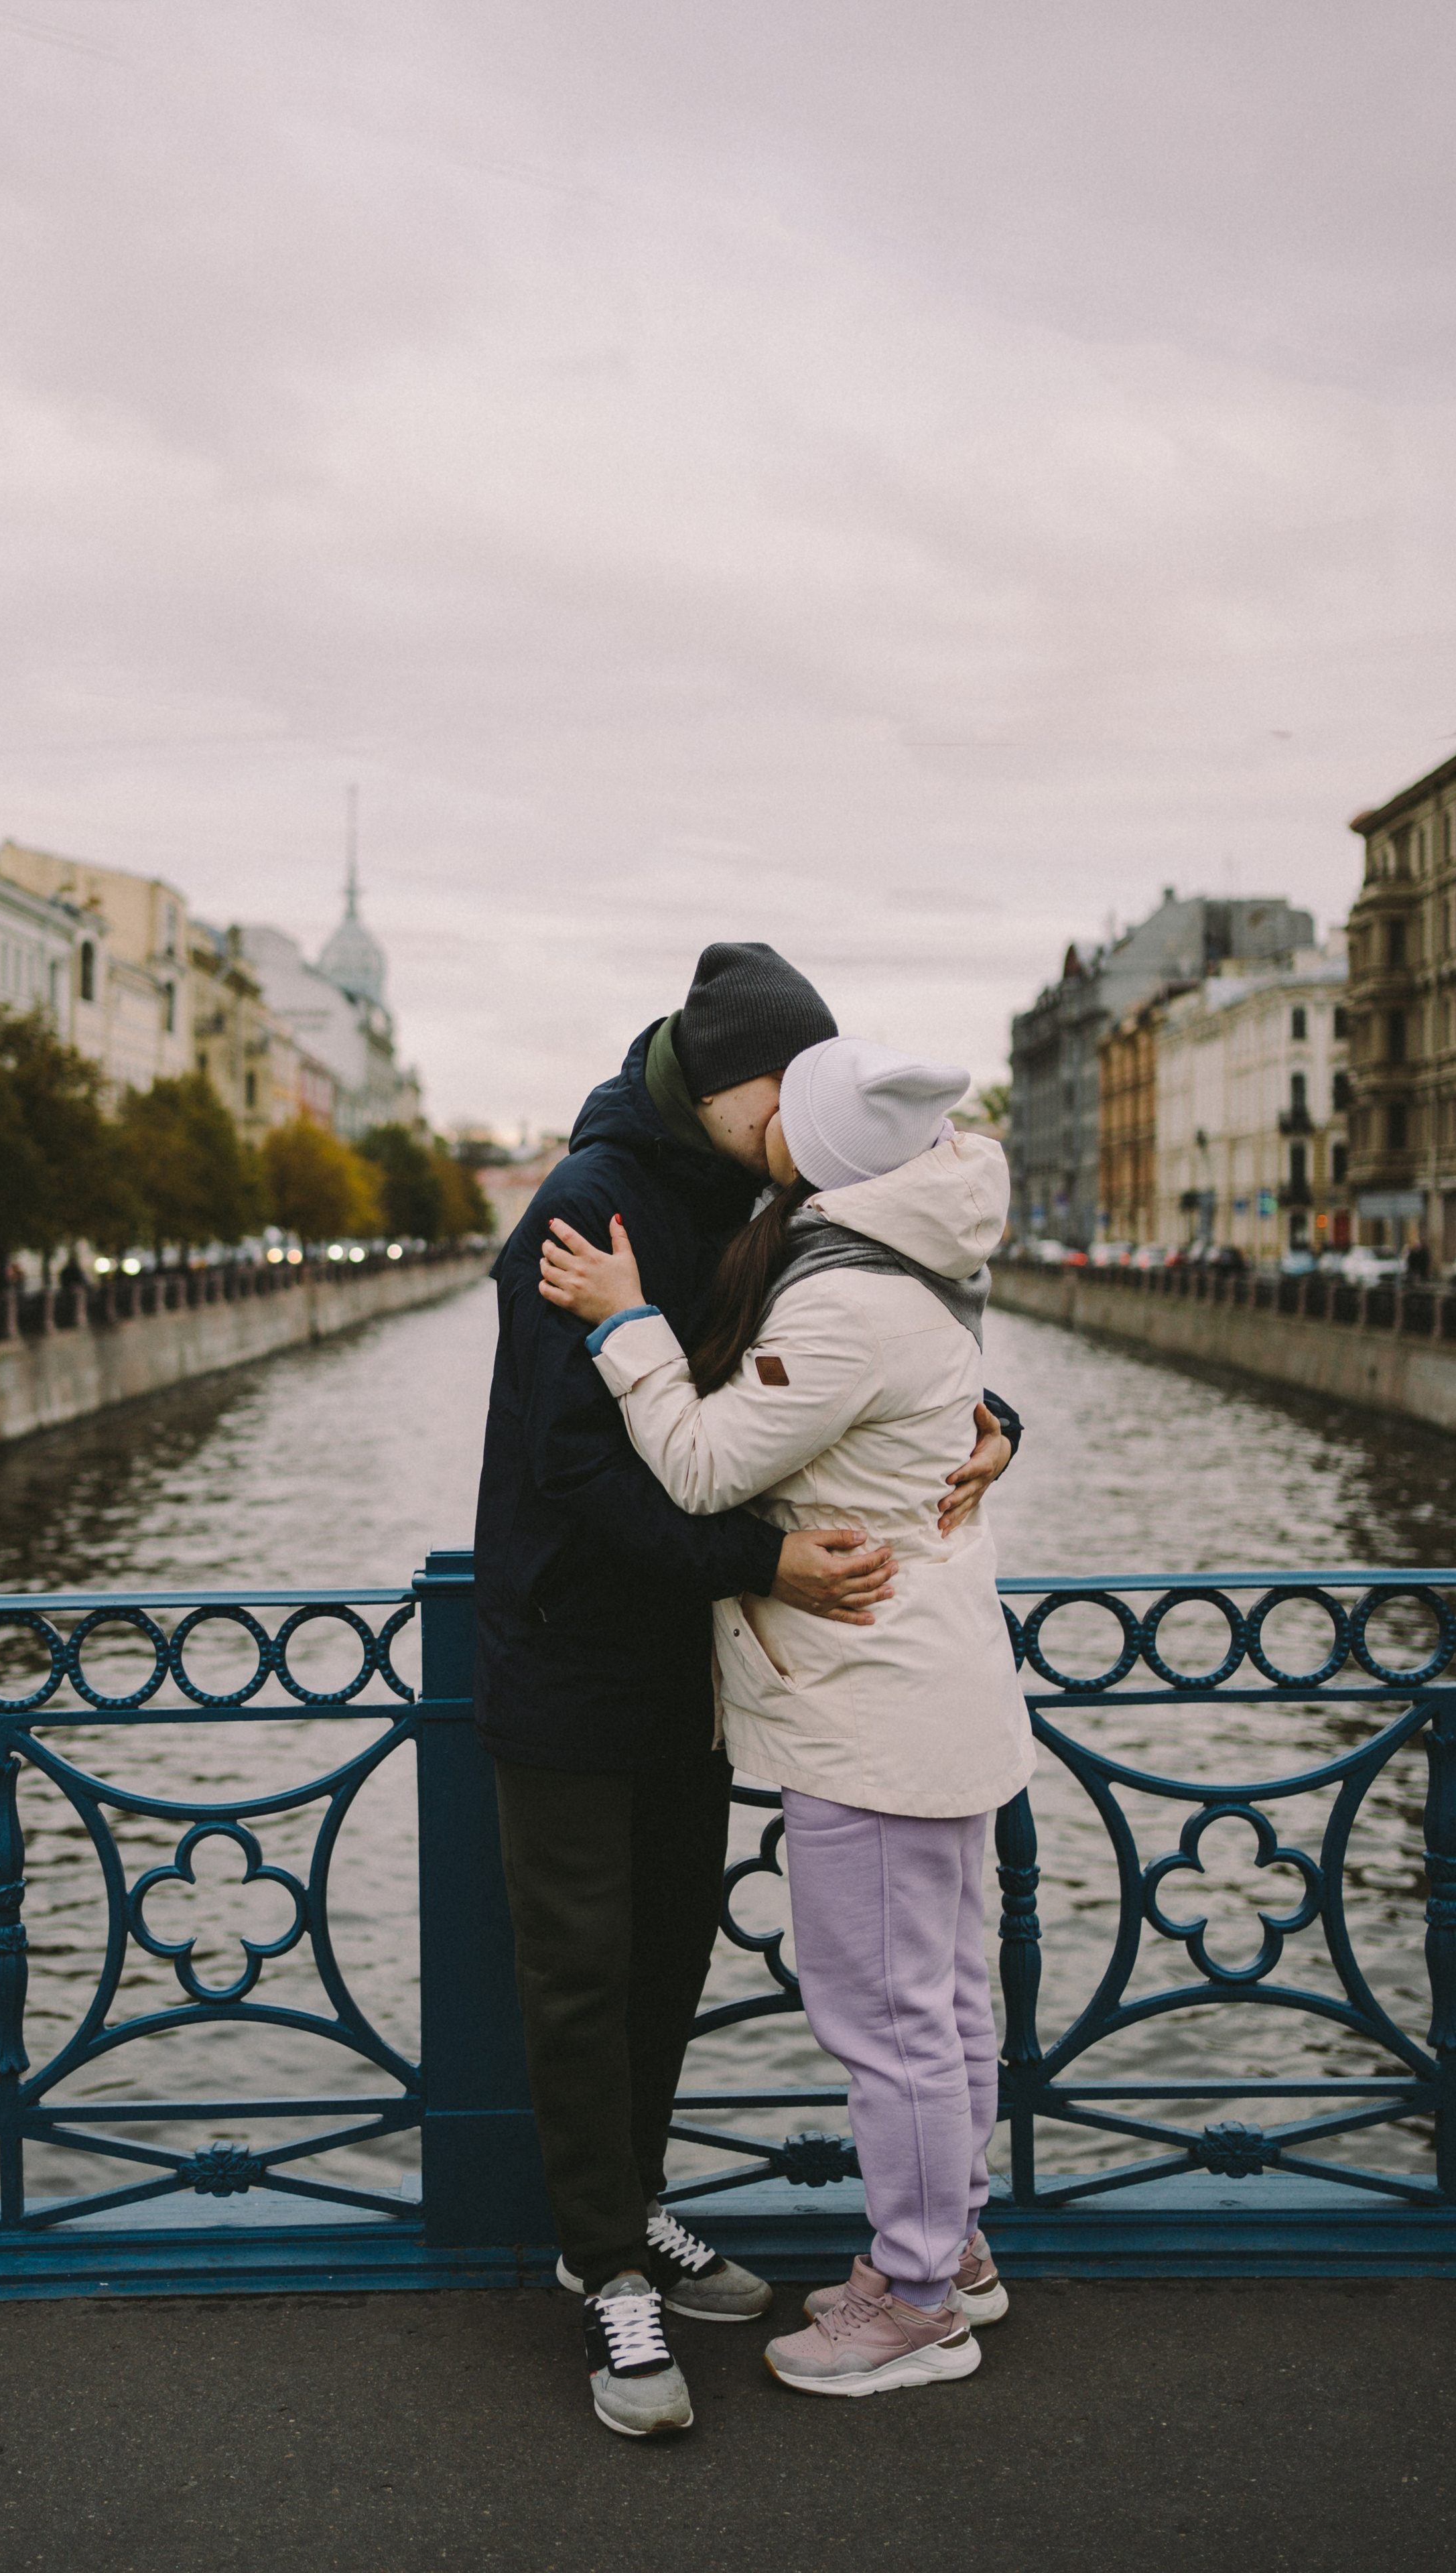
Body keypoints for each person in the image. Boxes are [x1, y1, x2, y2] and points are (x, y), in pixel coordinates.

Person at [476, 949, 1023, 2438]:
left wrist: (992, 1424)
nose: (811, 1123)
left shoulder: (755, 1189)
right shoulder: (589, 1199)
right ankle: (600, 2266)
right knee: (584, 1975)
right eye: (789, 1093)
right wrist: (766, 1565)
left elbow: (862, 1355)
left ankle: (634, 2208)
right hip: (574, 1645)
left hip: (694, 1661)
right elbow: (569, 1465)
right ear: (721, 1091)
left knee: (662, 1958)